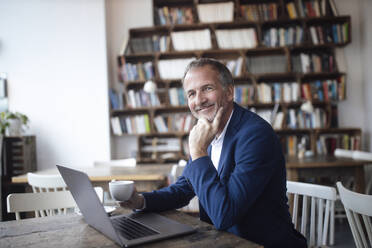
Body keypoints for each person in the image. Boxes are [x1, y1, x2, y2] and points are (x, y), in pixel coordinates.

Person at [120, 58, 307, 247]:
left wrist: (198, 151)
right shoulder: (208, 132)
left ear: (229, 92)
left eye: (207, 88)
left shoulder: (256, 136)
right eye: (191, 93)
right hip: (223, 241)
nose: (199, 100)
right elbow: (183, 189)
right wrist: (140, 201)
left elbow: (225, 215)